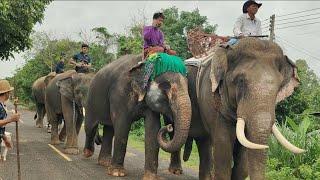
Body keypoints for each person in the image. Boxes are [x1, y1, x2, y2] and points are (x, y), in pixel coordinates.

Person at [0, 80, 20, 148]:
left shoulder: (2, 105)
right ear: (6, 93)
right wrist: (11, 119)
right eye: (9, 92)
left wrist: (5, 138)